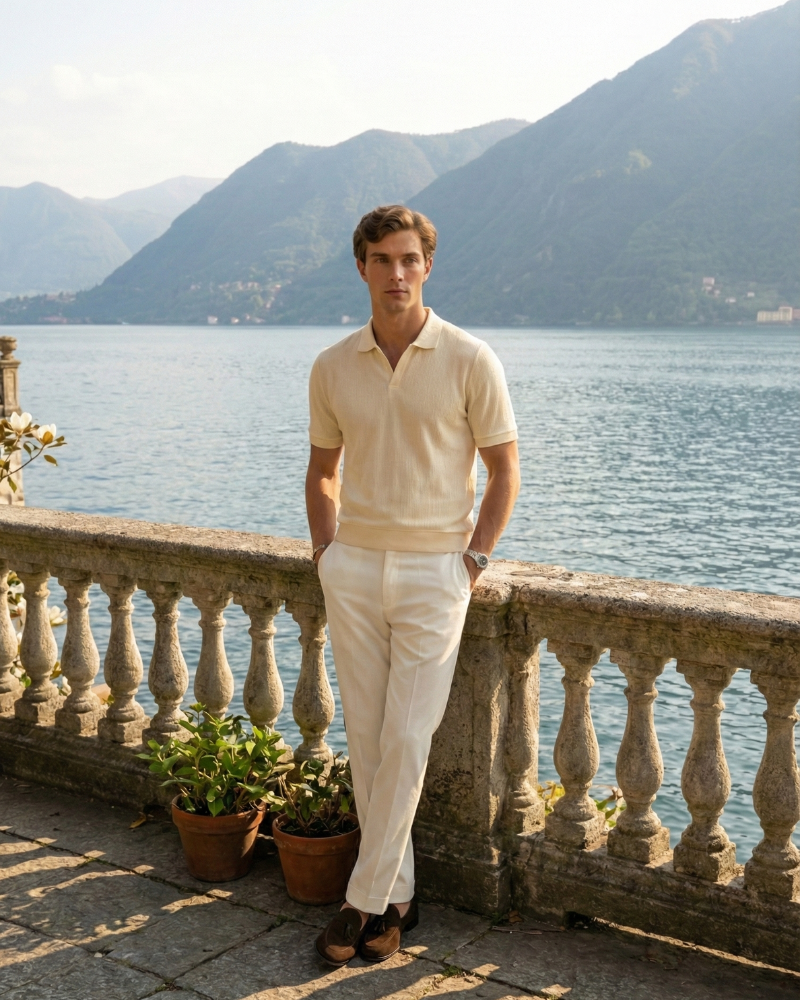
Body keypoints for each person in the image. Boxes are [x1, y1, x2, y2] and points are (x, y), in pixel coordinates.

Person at [306, 204, 520, 966]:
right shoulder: (332, 365)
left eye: (408, 259)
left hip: (437, 571)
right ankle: (398, 899)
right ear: (361, 267)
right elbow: (323, 471)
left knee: (405, 734)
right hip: (355, 567)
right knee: (366, 738)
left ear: (427, 265)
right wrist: (328, 551)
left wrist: (472, 560)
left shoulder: (469, 358)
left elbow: (503, 470)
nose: (396, 273)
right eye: (381, 259)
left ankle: (359, 902)